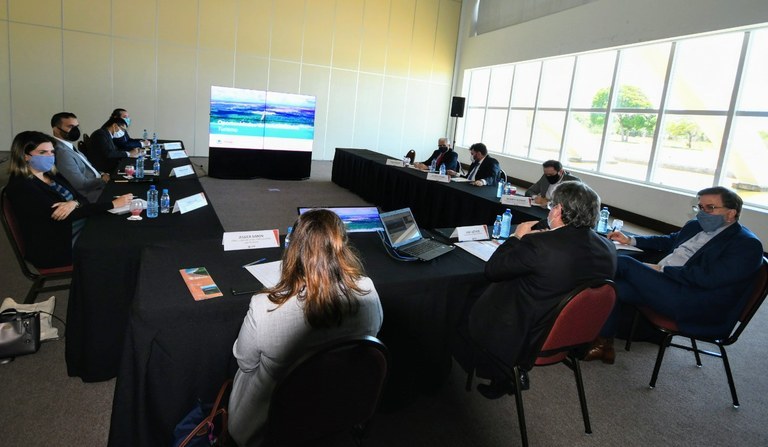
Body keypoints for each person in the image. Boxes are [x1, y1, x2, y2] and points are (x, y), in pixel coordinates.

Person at [227, 209, 384, 447]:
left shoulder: (263, 306)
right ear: (343, 248)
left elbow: (245, 362)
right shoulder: (368, 291)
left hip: (272, 425)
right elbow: (373, 334)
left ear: (293, 249)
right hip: (339, 406)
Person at [465, 181, 616, 399]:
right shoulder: (608, 248)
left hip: (527, 332)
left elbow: (493, 270)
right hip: (571, 331)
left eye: (552, 205)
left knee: (472, 297)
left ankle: (500, 371)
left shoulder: (540, 245)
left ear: (559, 210)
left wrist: (517, 237)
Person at [585, 186, 764, 364]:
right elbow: (669, 240)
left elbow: (708, 278)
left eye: (710, 208)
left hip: (695, 300)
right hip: (669, 285)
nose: (703, 213)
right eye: (700, 207)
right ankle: (603, 345)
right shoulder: (696, 225)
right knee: (615, 288)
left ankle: (575, 286)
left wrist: (660, 269)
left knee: (625, 263)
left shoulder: (746, 245)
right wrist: (630, 240)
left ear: (731, 213)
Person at [4, 131, 133, 269]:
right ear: (25, 156)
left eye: (52, 152)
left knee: (119, 226)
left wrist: (74, 203)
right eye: (42, 152)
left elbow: (81, 198)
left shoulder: (51, 175)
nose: (50, 156)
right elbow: (61, 216)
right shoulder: (22, 186)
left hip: (71, 226)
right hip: (56, 245)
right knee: (118, 241)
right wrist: (112, 204)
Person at [51, 112, 109, 203]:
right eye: (70, 126)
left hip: (99, 184)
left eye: (76, 126)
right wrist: (103, 180)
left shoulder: (67, 145)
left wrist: (102, 174)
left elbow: (89, 168)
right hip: (93, 194)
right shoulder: (62, 152)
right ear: (56, 129)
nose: (75, 130)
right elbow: (80, 184)